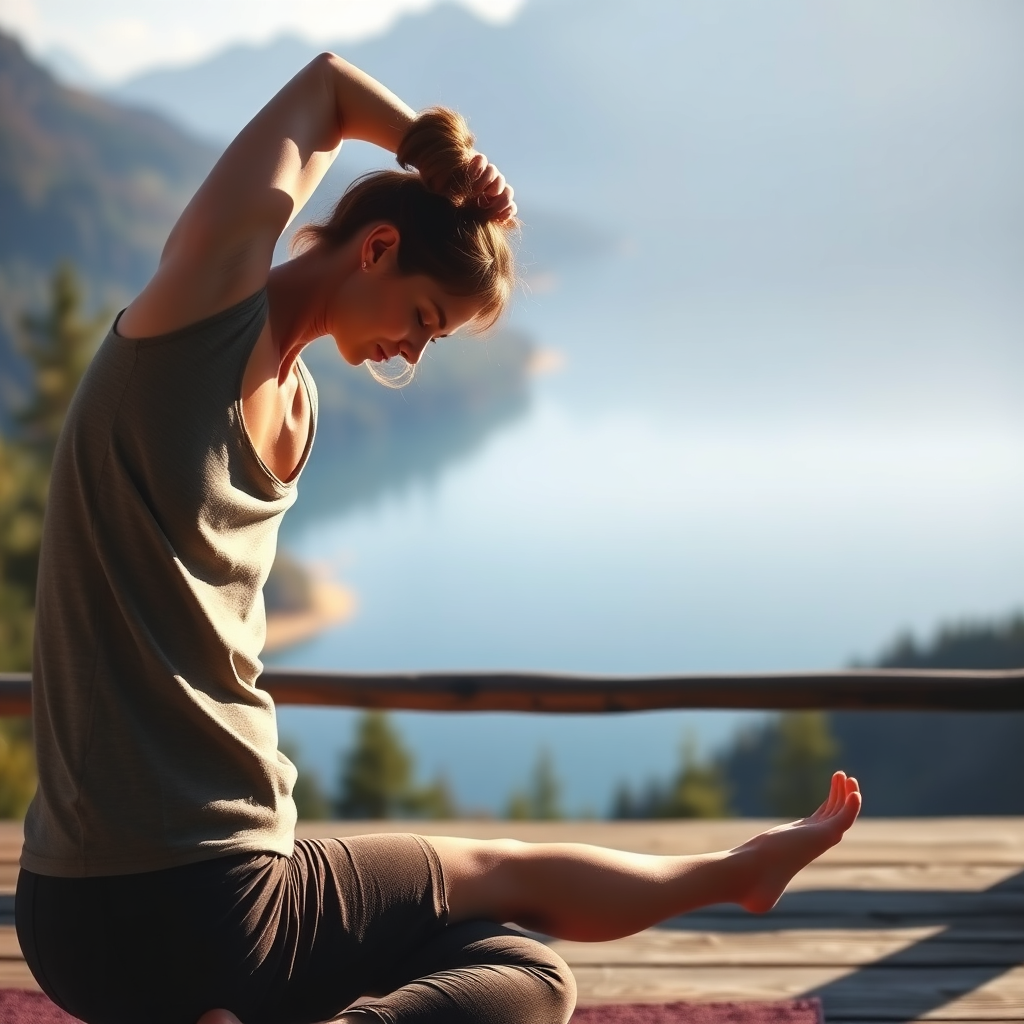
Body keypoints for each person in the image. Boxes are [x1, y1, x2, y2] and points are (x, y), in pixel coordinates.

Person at [14, 52, 862, 1024]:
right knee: (525, 949)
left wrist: (432, 168)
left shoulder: (291, 407)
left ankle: (731, 872)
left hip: (70, 918)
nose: (410, 353)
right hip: (205, 904)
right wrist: (443, 158)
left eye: (434, 342)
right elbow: (324, 89)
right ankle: (732, 873)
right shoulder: (199, 323)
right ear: (373, 247)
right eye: (422, 319)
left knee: (492, 948)